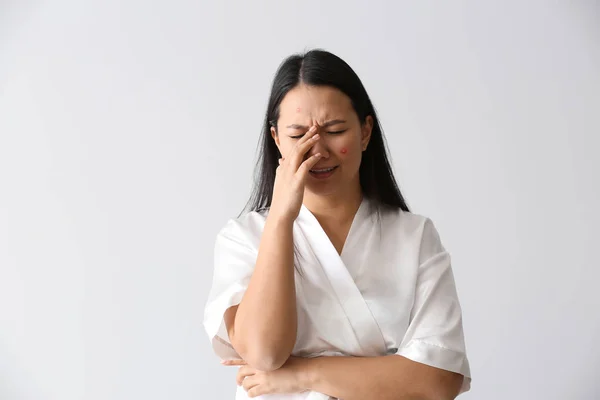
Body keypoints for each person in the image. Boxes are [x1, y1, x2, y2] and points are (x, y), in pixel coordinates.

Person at [203, 49, 472, 400]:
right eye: (298, 135)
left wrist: (303, 373)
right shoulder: (243, 238)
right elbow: (265, 353)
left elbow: (439, 380)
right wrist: (282, 218)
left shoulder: (415, 237)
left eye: (334, 130)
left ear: (364, 131)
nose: (318, 150)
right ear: (276, 140)